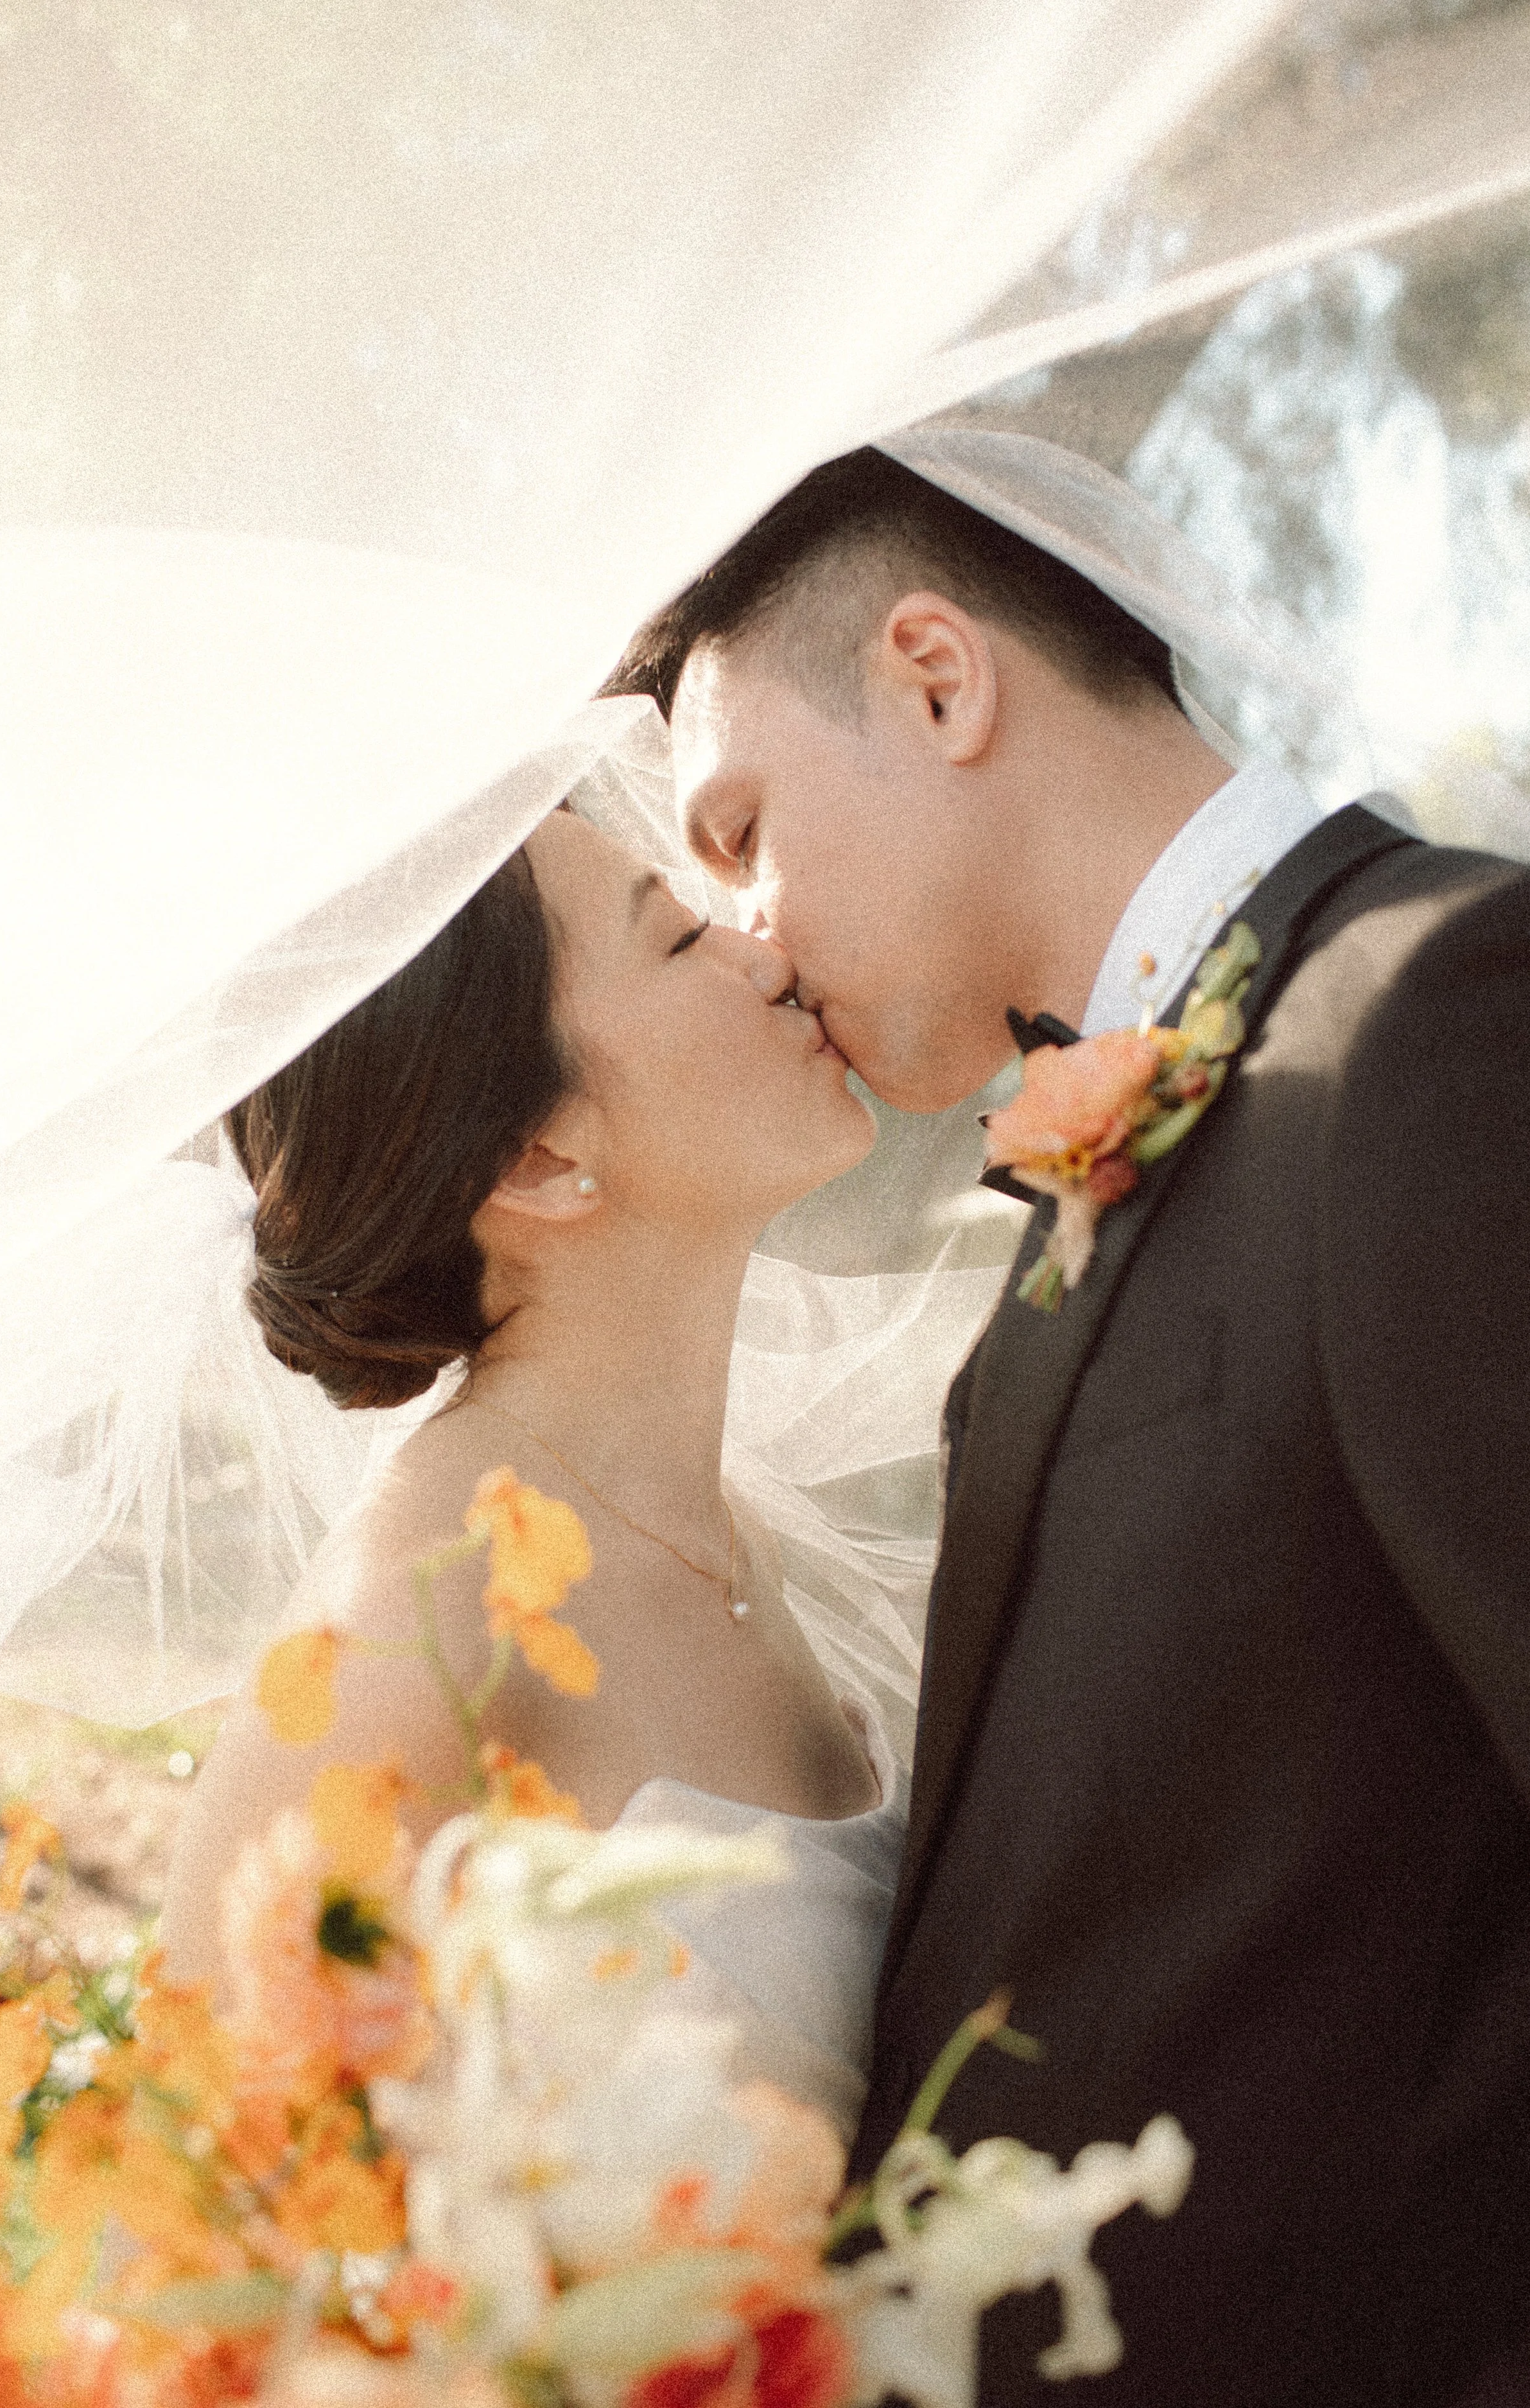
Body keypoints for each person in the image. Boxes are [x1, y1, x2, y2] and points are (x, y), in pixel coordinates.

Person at [602, 437, 1530, 2405]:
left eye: (742, 825)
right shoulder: (1091, 1177)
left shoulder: (1446, 1011)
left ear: (938, 680)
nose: (748, 928)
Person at [161, 803, 907, 2139]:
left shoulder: (737, 1533)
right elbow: (212, 2184)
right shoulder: (406, 1629)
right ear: (539, 1159)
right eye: (678, 939)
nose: (761, 951)